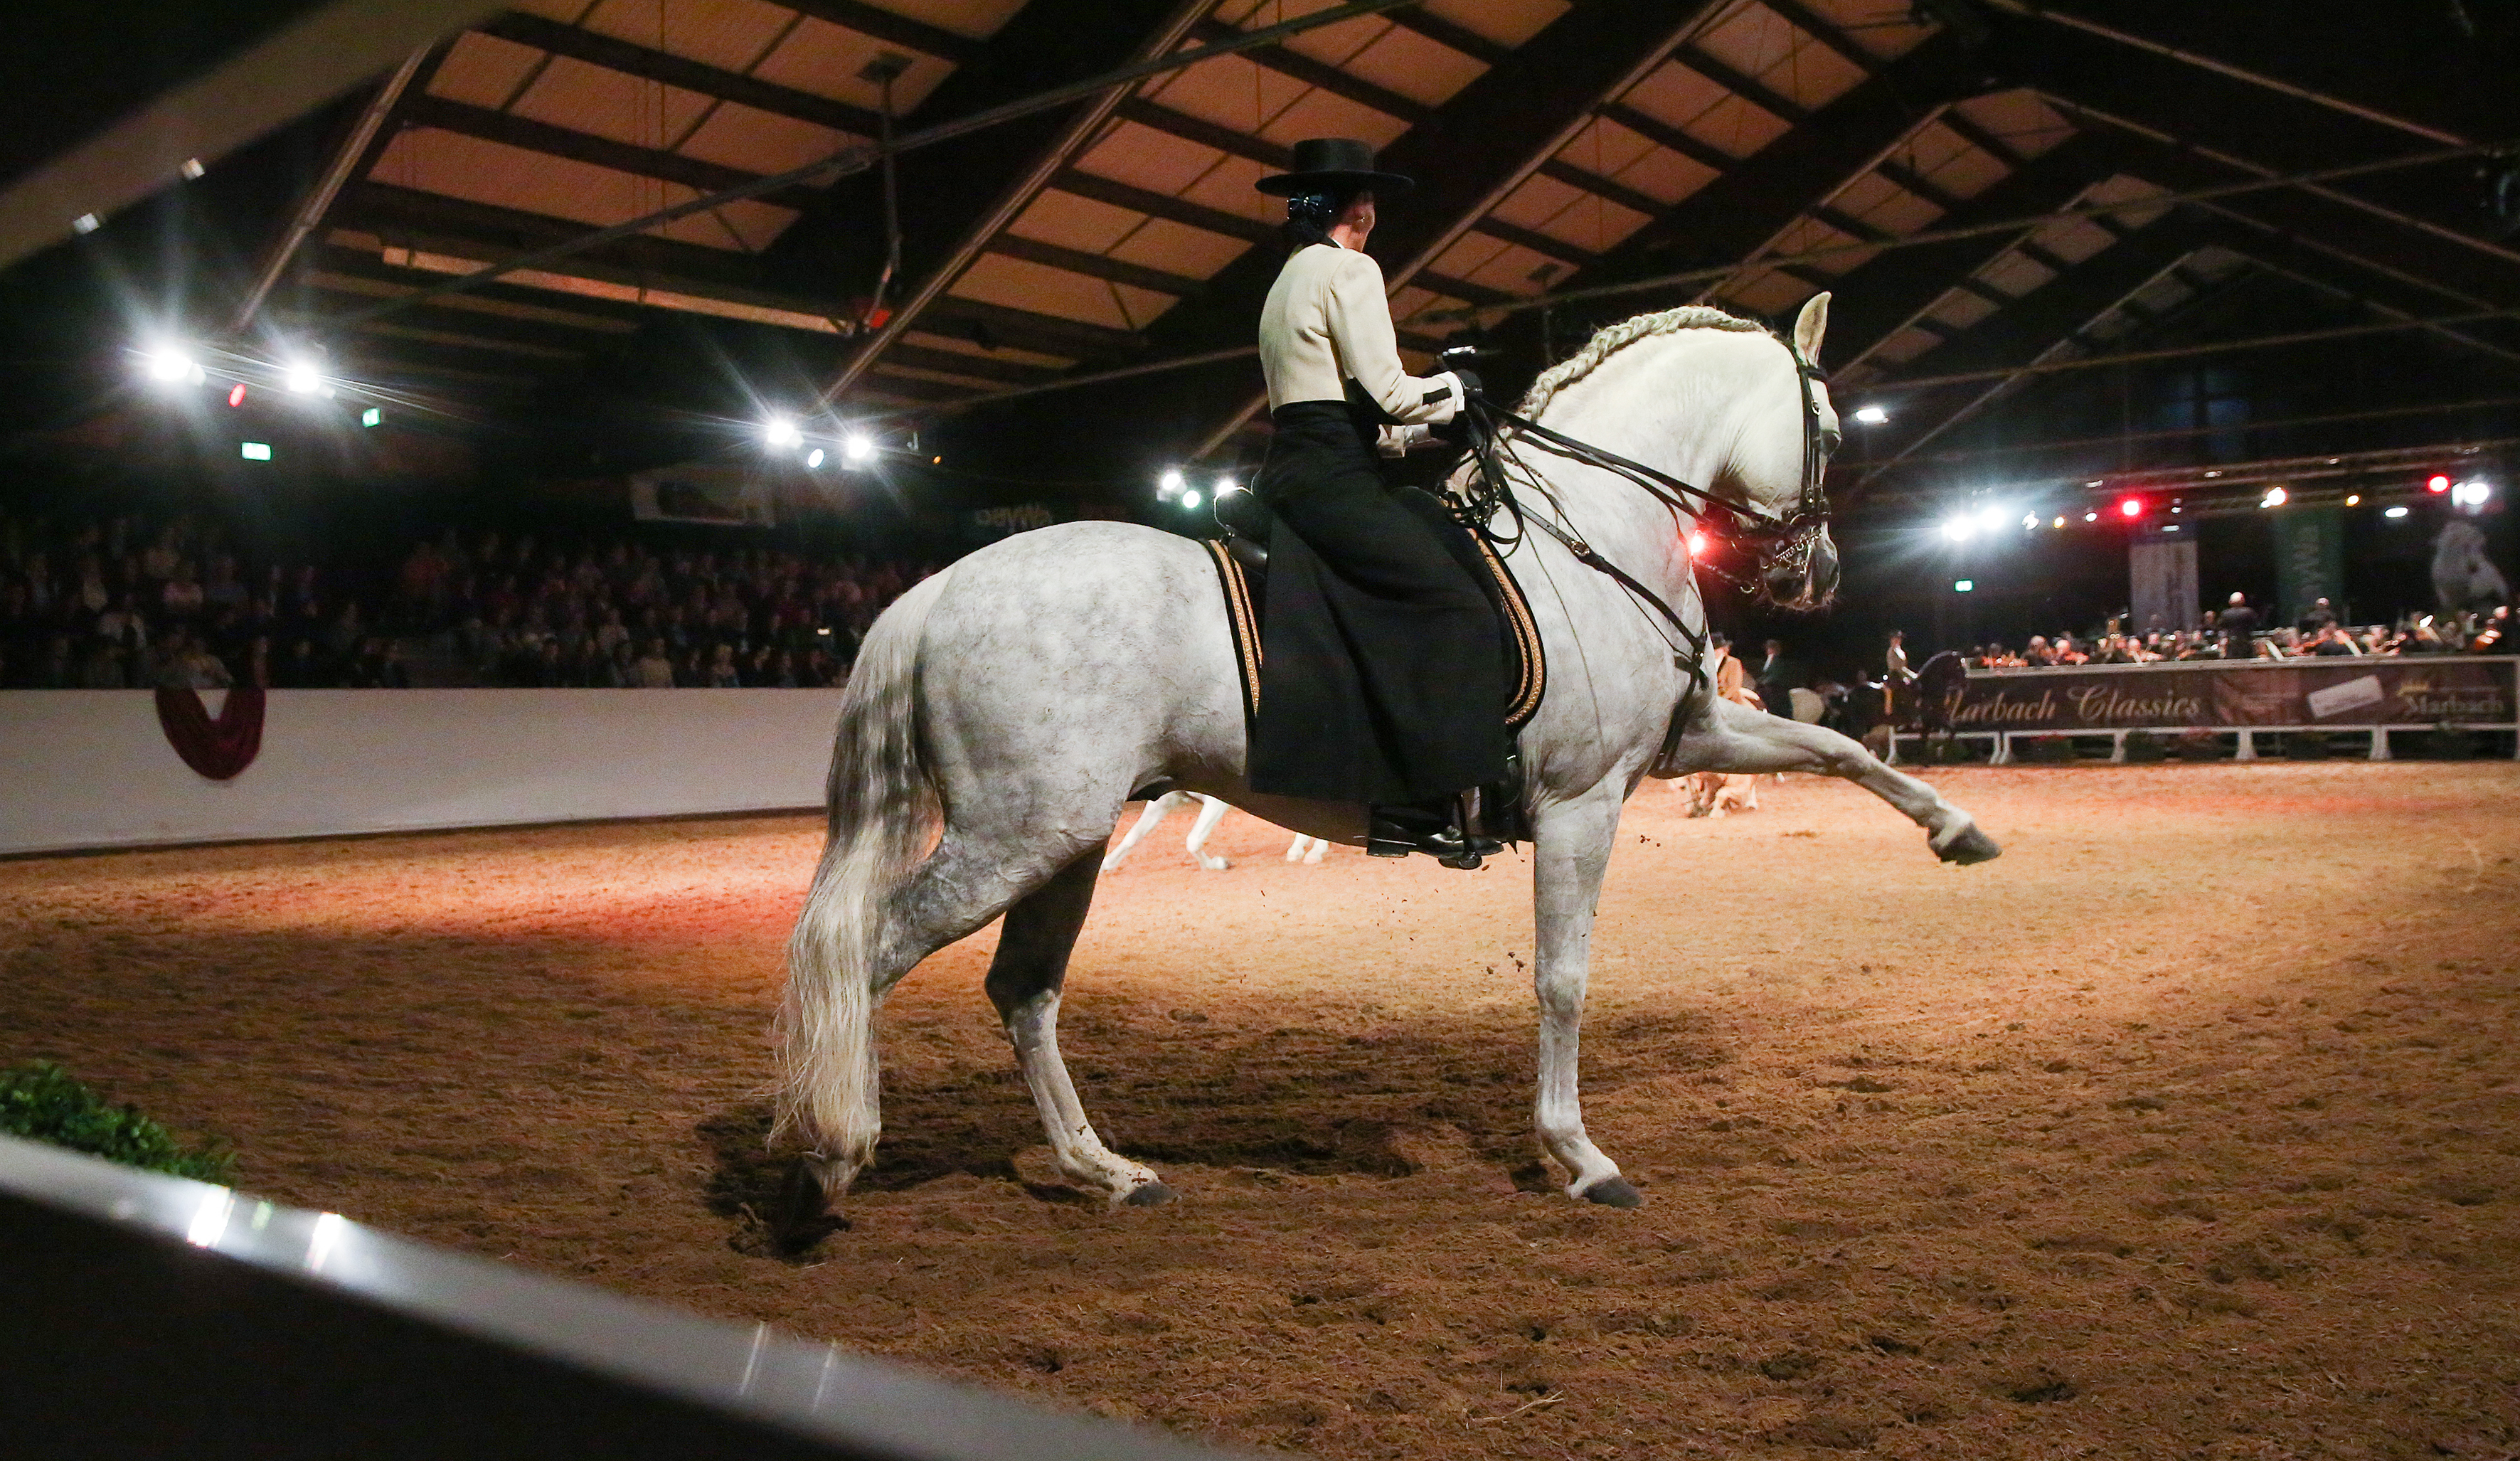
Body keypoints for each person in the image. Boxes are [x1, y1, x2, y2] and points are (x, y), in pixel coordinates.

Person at [1243, 137, 1499, 865]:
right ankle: (1421, 802)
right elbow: (1391, 391)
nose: (1376, 210)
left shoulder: (1285, 279)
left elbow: (1334, 407)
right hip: (1331, 474)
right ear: (1359, 205)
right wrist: (1460, 390)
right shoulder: (1350, 268)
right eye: (1372, 198)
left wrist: (1396, 439)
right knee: (1454, 605)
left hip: (1299, 462)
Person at [2218, 592, 2258, 659]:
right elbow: (2255, 624)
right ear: (2243, 601)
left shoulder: (2225, 614)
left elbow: (2221, 626)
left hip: (2231, 643)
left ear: (2230, 602)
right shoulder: (2249, 612)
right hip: (2246, 642)